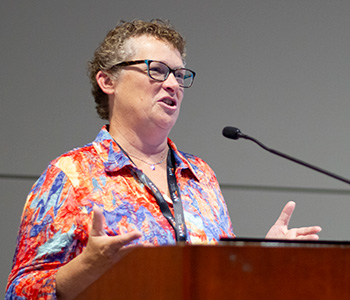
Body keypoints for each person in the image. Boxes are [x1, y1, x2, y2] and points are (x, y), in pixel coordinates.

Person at [6, 19, 321, 300]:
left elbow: (219, 285)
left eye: (180, 75)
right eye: (157, 70)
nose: (173, 84)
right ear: (108, 81)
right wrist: (87, 267)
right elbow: (19, 291)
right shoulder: (71, 174)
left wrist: (260, 260)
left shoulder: (200, 176)